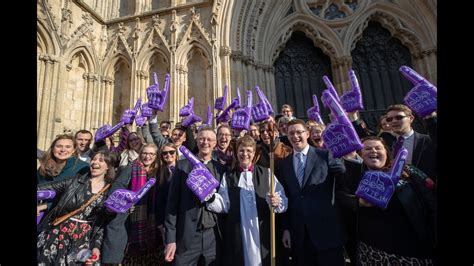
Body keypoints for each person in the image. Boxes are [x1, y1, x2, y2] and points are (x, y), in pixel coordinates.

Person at [343, 136, 436, 264]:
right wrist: (358, 202)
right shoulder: (354, 177)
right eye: (367, 148)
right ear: (361, 155)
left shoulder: (408, 171)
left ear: (386, 152)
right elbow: (342, 198)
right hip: (372, 251)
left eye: (378, 148)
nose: (373, 151)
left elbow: (431, 203)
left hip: (411, 249)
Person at [207, 135, 288, 266]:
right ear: (236, 153)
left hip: (262, 230)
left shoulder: (267, 174)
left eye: (249, 151)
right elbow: (224, 205)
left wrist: (277, 202)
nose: (245, 154)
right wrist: (210, 197)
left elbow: (282, 201)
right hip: (239, 231)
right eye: (241, 150)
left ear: (254, 153)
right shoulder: (228, 177)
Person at [276, 119, 347, 266]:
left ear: (307, 134)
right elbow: (286, 198)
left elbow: (344, 176)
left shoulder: (325, 155)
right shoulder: (283, 164)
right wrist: (286, 228)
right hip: (299, 235)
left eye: (299, 132)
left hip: (327, 232)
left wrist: (350, 154)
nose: (295, 136)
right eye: (291, 134)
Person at [37, 150, 115, 265]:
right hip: (58, 235)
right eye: (94, 159)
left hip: (83, 240)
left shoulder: (110, 190)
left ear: (108, 166)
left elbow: (102, 223)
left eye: (101, 160)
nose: (95, 162)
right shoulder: (75, 181)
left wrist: (96, 246)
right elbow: (43, 189)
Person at [164, 127, 227, 265]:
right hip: (187, 237)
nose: (205, 142)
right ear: (197, 141)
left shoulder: (221, 169)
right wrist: (170, 240)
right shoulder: (182, 166)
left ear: (215, 143)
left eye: (209, 139)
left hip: (213, 237)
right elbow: (172, 205)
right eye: (201, 139)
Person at [123, 143, 162, 264]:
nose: (147, 156)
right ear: (140, 154)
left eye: (151, 154)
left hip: (153, 218)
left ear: (156, 156)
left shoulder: (159, 172)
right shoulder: (131, 168)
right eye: (145, 153)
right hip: (132, 217)